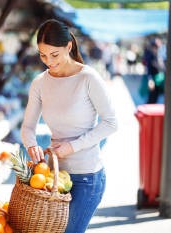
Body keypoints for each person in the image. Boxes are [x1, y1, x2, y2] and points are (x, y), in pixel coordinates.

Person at [20, 19, 118, 233]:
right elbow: (28, 127)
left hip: (86, 178)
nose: (48, 62)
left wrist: (72, 147)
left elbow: (111, 123)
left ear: (69, 47)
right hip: (52, 176)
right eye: (43, 55)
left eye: (54, 55)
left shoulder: (88, 78)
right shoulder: (40, 83)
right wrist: (31, 145)